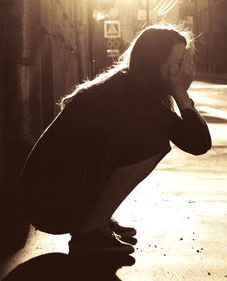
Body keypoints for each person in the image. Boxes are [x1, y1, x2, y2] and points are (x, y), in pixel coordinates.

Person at [18, 24, 211, 255]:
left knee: (145, 140)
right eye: (178, 64)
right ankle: (90, 231)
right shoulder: (135, 97)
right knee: (153, 144)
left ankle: (96, 218)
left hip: (44, 198)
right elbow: (198, 144)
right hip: (48, 205)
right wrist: (181, 94)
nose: (184, 72)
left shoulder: (127, 84)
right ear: (156, 63)